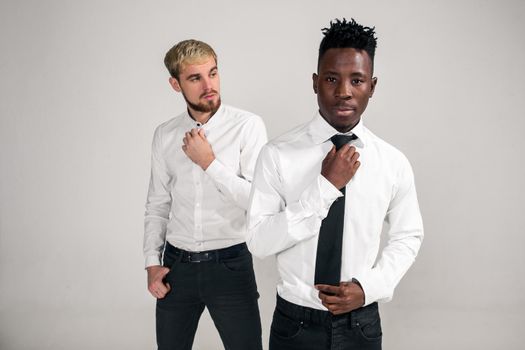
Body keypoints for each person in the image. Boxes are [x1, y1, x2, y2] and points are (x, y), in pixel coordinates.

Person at [247, 18, 424, 349]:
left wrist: (368, 287)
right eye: (331, 79)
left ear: (372, 86)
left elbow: (407, 236)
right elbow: (259, 241)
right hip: (295, 324)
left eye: (356, 80)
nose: (344, 92)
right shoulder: (277, 155)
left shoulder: (393, 162)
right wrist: (326, 188)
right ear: (315, 82)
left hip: (361, 323)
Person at [143, 39, 267, 350]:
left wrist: (208, 162)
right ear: (176, 84)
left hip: (230, 265)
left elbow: (258, 201)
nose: (208, 85)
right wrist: (151, 263)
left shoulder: (247, 126)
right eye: (195, 78)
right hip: (177, 266)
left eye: (212, 73)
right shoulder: (165, 134)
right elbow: (158, 205)